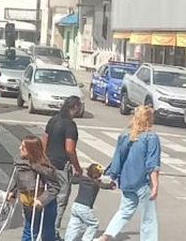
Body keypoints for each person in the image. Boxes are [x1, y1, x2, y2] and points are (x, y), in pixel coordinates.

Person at [96, 105, 161, 241]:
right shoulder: (151, 137)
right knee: (148, 217)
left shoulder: (125, 135)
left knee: (125, 210)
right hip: (142, 181)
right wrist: (155, 185)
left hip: (126, 180)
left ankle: (106, 235)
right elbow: (152, 164)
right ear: (149, 119)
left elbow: (117, 158)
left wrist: (113, 176)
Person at [43, 96, 84, 238]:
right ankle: (53, 233)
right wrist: (77, 168)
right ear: (75, 107)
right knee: (61, 200)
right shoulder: (70, 125)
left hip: (48, 165)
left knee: (46, 197)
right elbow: (69, 149)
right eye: (80, 106)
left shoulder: (53, 120)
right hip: (61, 166)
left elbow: (44, 142)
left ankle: (44, 229)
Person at [7, 135, 61, 241]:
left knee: (47, 234)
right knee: (29, 231)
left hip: (45, 206)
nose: (19, 148)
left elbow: (54, 187)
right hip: (29, 205)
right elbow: (18, 181)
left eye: (23, 147)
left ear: (31, 150)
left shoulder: (44, 168)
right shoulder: (21, 165)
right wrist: (12, 192)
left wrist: (42, 200)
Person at [65, 163, 115, 241]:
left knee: (74, 224)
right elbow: (103, 186)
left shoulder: (82, 179)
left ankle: (68, 239)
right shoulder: (95, 183)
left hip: (76, 205)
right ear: (97, 175)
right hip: (85, 208)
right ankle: (86, 239)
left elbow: (73, 181)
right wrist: (111, 185)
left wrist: (77, 174)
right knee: (94, 224)